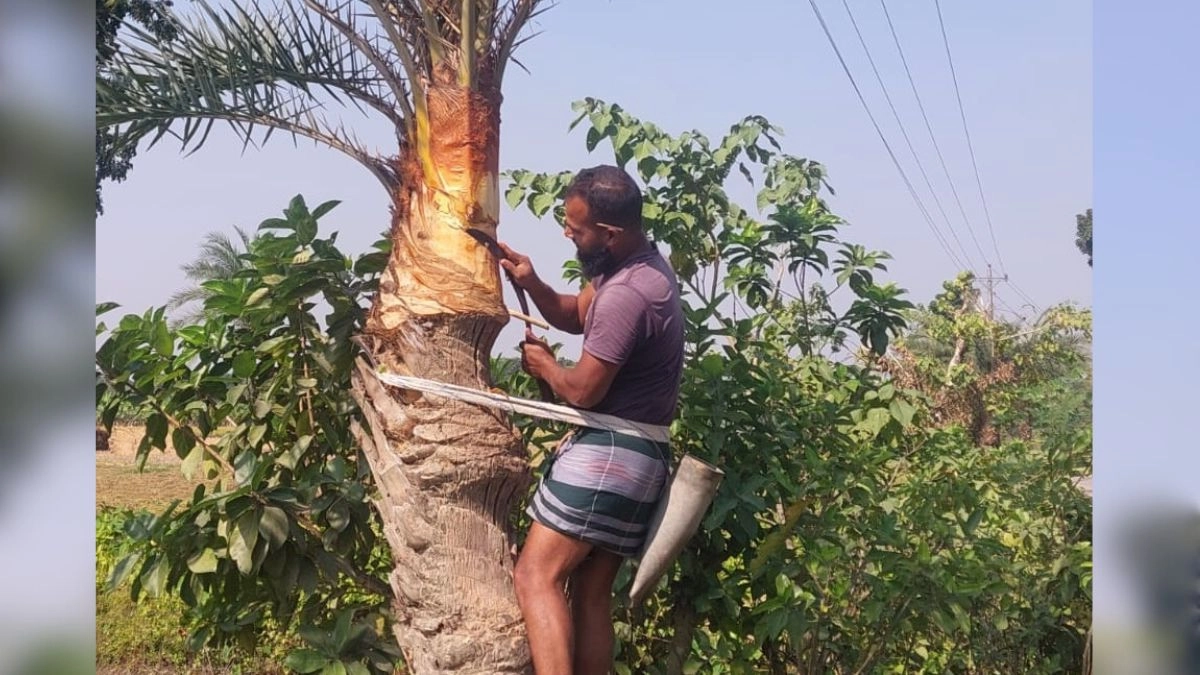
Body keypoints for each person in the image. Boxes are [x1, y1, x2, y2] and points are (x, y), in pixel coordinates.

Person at [498, 164, 685, 674]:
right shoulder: (629, 268)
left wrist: (545, 366)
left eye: (576, 228)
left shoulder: (628, 294)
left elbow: (583, 390)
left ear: (608, 233)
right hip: (640, 458)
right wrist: (532, 282)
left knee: (535, 576)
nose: (566, 232)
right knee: (590, 592)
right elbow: (575, 315)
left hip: (609, 456)